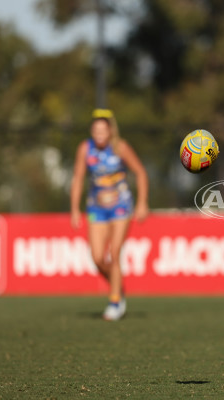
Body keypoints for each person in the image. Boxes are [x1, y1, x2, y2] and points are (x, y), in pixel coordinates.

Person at [70, 109, 149, 321]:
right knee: (97, 257)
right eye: (96, 130)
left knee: (114, 253)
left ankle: (115, 300)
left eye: (103, 130)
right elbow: (78, 178)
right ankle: (118, 285)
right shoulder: (85, 149)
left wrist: (142, 203)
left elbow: (140, 173)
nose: (99, 134)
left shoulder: (120, 147)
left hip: (121, 206)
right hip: (96, 207)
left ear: (111, 130)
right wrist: (75, 209)